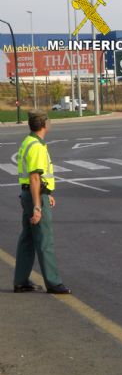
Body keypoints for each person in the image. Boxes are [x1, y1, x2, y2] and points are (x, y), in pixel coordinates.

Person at [14, 110, 71, 294]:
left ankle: (21, 280)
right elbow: (34, 178)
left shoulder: (28, 141)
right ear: (44, 124)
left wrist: (46, 193)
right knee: (44, 239)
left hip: (29, 194)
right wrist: (39, 205)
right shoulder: (37, 147)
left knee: (28, 239)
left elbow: (36, 179)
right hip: (34, 196)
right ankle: (53, 282)